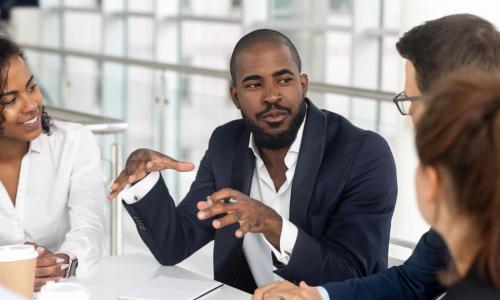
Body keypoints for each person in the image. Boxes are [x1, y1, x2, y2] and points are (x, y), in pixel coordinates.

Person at [108, 29, 398, 293]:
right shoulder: (226, 144)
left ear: (303, 84)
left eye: (284, 80)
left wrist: (273, 226)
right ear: (235, 96)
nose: (272, 96)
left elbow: (355, 278)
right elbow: (175, 244)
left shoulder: (363, 154)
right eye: (254, 84)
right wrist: (144, 179)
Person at [252, 13, 500, 300]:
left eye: (410, 100)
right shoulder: (471, 189)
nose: (410, 119)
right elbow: (413, 281)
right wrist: (319, 296)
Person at [0, 37, 105, 291]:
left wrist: (62, 261)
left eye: (31, 87)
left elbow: (90, 227)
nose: (31, 104)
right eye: (10, 100)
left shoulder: (75, 143)